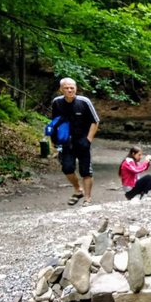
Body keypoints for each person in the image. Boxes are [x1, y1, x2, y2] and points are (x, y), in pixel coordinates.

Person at [51, 77, 100, 206]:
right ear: (61, 89)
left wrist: (88, 139)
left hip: (82, 140)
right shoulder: (57, 102)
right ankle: (78, 190)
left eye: (72, 87)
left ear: (76, 88)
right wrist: (54, 140)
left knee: (86, 171)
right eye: (66, 88)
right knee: (67, 168)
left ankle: (87, 198)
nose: (69, 90)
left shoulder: (84, 102)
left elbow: (95, 121)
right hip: (66, 141)